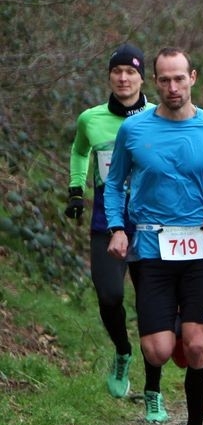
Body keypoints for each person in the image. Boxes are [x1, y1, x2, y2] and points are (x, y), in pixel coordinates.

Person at [104, 48, 203, 425]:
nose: (172, 87)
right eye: (164, 80)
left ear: (193, 78)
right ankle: (177, 331)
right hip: (150, 247)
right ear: (155, 82)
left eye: (179, 79)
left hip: (200, 247)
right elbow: (115, 184)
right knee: (158, 351)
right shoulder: (133, 131)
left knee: (197, 347)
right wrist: (117, 228)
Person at [67, 43, 152, 400]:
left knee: (151, 305)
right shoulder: (92, 119)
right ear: (109, 77)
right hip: (107, 220)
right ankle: (122, 351)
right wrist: (75, 189)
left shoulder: (159, 116)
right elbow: (79, 150)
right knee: (110, 295)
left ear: (142, 78)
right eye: (117, 71)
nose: (123, 78)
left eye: (130, 71)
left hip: (151, 221)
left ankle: (153, 387)